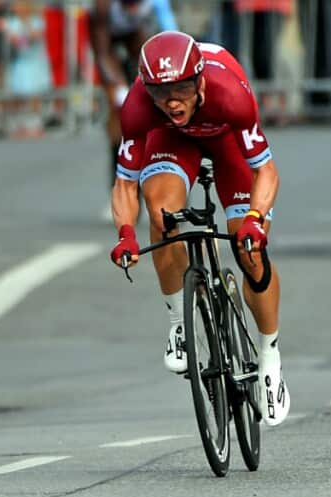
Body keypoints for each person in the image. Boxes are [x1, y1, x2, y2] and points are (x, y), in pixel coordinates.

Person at [108, 31, 289, 426]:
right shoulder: (139, 106)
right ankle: (178, 322)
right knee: (162, 214)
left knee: (250, 252)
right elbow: (125, 183)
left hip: (227, 141)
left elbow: (266, 171)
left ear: (200, 80)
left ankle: (269, 357)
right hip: (172, 141)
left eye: (183, 88)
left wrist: (256, 222)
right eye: (161, 92)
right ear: (146, 88)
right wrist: (125, 231)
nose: (172, 100)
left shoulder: (230, 95)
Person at [88, 0, 160, 221]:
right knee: (118, 118)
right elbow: (102, 54)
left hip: (134, 41)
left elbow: (149, 47)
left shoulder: (147, 7)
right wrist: (116, 86)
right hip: (105, 44)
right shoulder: (103, 8)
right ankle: (120, 186)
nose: (133, 10)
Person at [0, 0, 51, 138]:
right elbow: (14, 41)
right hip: (20, 63)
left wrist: (19, 34)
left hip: (35, 63)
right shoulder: (13, 22)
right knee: (18, 96)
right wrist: (10, 32)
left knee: (35, 96)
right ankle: (19, 125)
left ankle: (36, 124)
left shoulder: (37, 21)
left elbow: (33, 38)